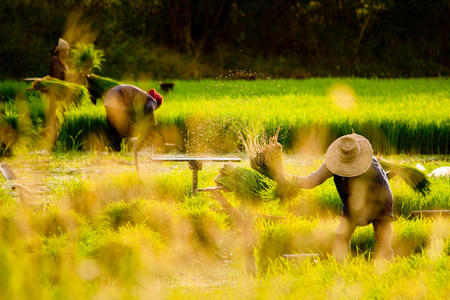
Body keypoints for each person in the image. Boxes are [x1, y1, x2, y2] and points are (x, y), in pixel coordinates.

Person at [277, 133, 394, 261]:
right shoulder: (333, 163)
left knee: (383, 241)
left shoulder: (370, 168)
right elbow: (312, 180)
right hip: (352, 204)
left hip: (382, 203)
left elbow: (381, 185)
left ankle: (387, 268)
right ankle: (342, 269)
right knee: (340, 238)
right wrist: (287, 178)